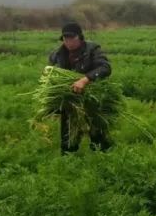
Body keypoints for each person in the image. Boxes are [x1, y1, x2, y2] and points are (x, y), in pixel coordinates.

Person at [48, 22, 113, 153]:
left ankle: (102, 160)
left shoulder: (92, 50)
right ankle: (69, 161)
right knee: (68, 141)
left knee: (98, 139)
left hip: (92, 99)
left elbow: (105, 68)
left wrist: (85, 79)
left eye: (72, 38)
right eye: (66, 39)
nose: (69, 42)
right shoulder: (58, 54)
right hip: (70, 101)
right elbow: (51, 75)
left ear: (80, 37)